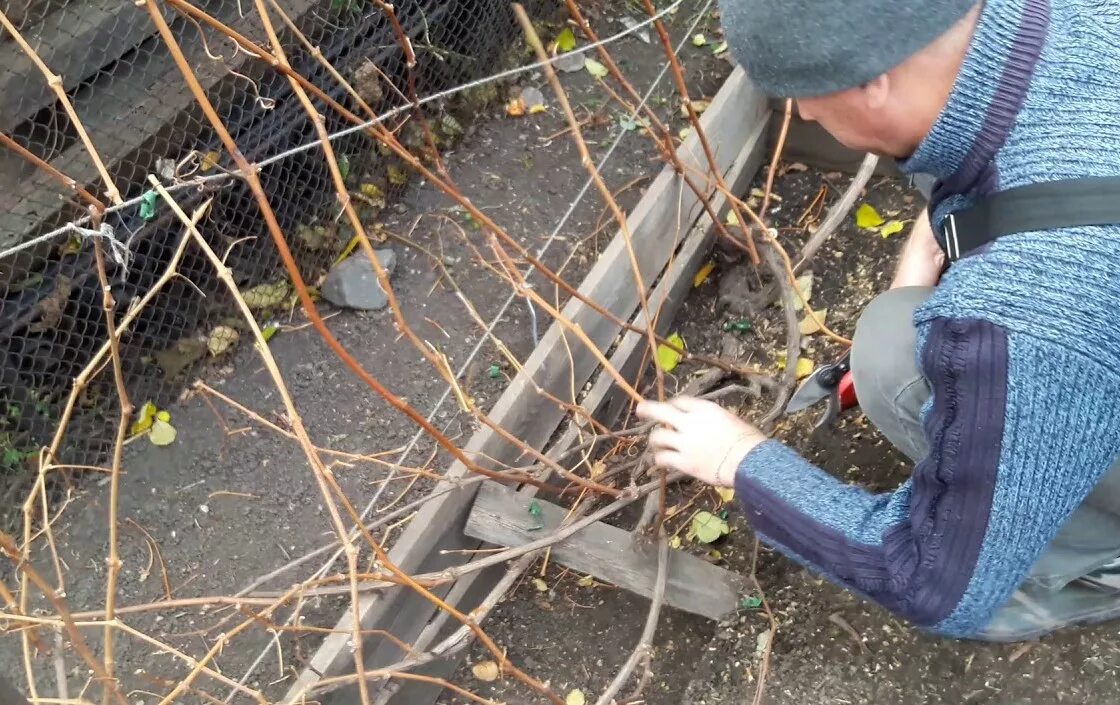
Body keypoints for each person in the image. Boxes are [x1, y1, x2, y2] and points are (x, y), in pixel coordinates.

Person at [637, 0, 1120, 641]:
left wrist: (739, 458)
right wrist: (940, 234)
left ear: (874, 81)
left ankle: (1096, 564)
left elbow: (925, 580)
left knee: (891, 354)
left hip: (1064, 327)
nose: (802, 113)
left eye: (802, 93)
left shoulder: (1021, 322)